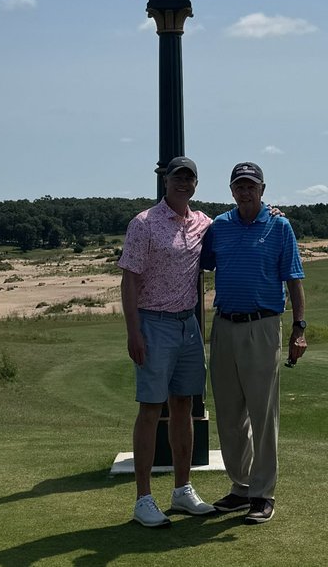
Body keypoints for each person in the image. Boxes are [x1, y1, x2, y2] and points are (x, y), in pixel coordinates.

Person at [200, 162, 306, 526]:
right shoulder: (220, 227)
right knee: (230, 414)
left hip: (262, 326)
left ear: (263, 189)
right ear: (231, 190)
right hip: (225, 326)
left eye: (251, 186)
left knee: (262, 415)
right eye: (239, 186)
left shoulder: (279, 226)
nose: (245, 192)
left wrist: (299, 327)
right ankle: (241, 486)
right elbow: (202, 262)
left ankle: (263, 492)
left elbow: (293, 280)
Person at [118, 155, 217, 528]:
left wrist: (272, 212)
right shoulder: (144, 224)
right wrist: (134, 331)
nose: (183, 183)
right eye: (177, 177)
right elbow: (129, 280)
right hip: (153, 322)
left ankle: (182, 490)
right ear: (165, 181)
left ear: (195, 184)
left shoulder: (202, 223)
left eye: (189, 178)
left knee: (183, 406)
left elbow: (235, 224)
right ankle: (143, 498)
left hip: (187, 324)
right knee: (150, 408)